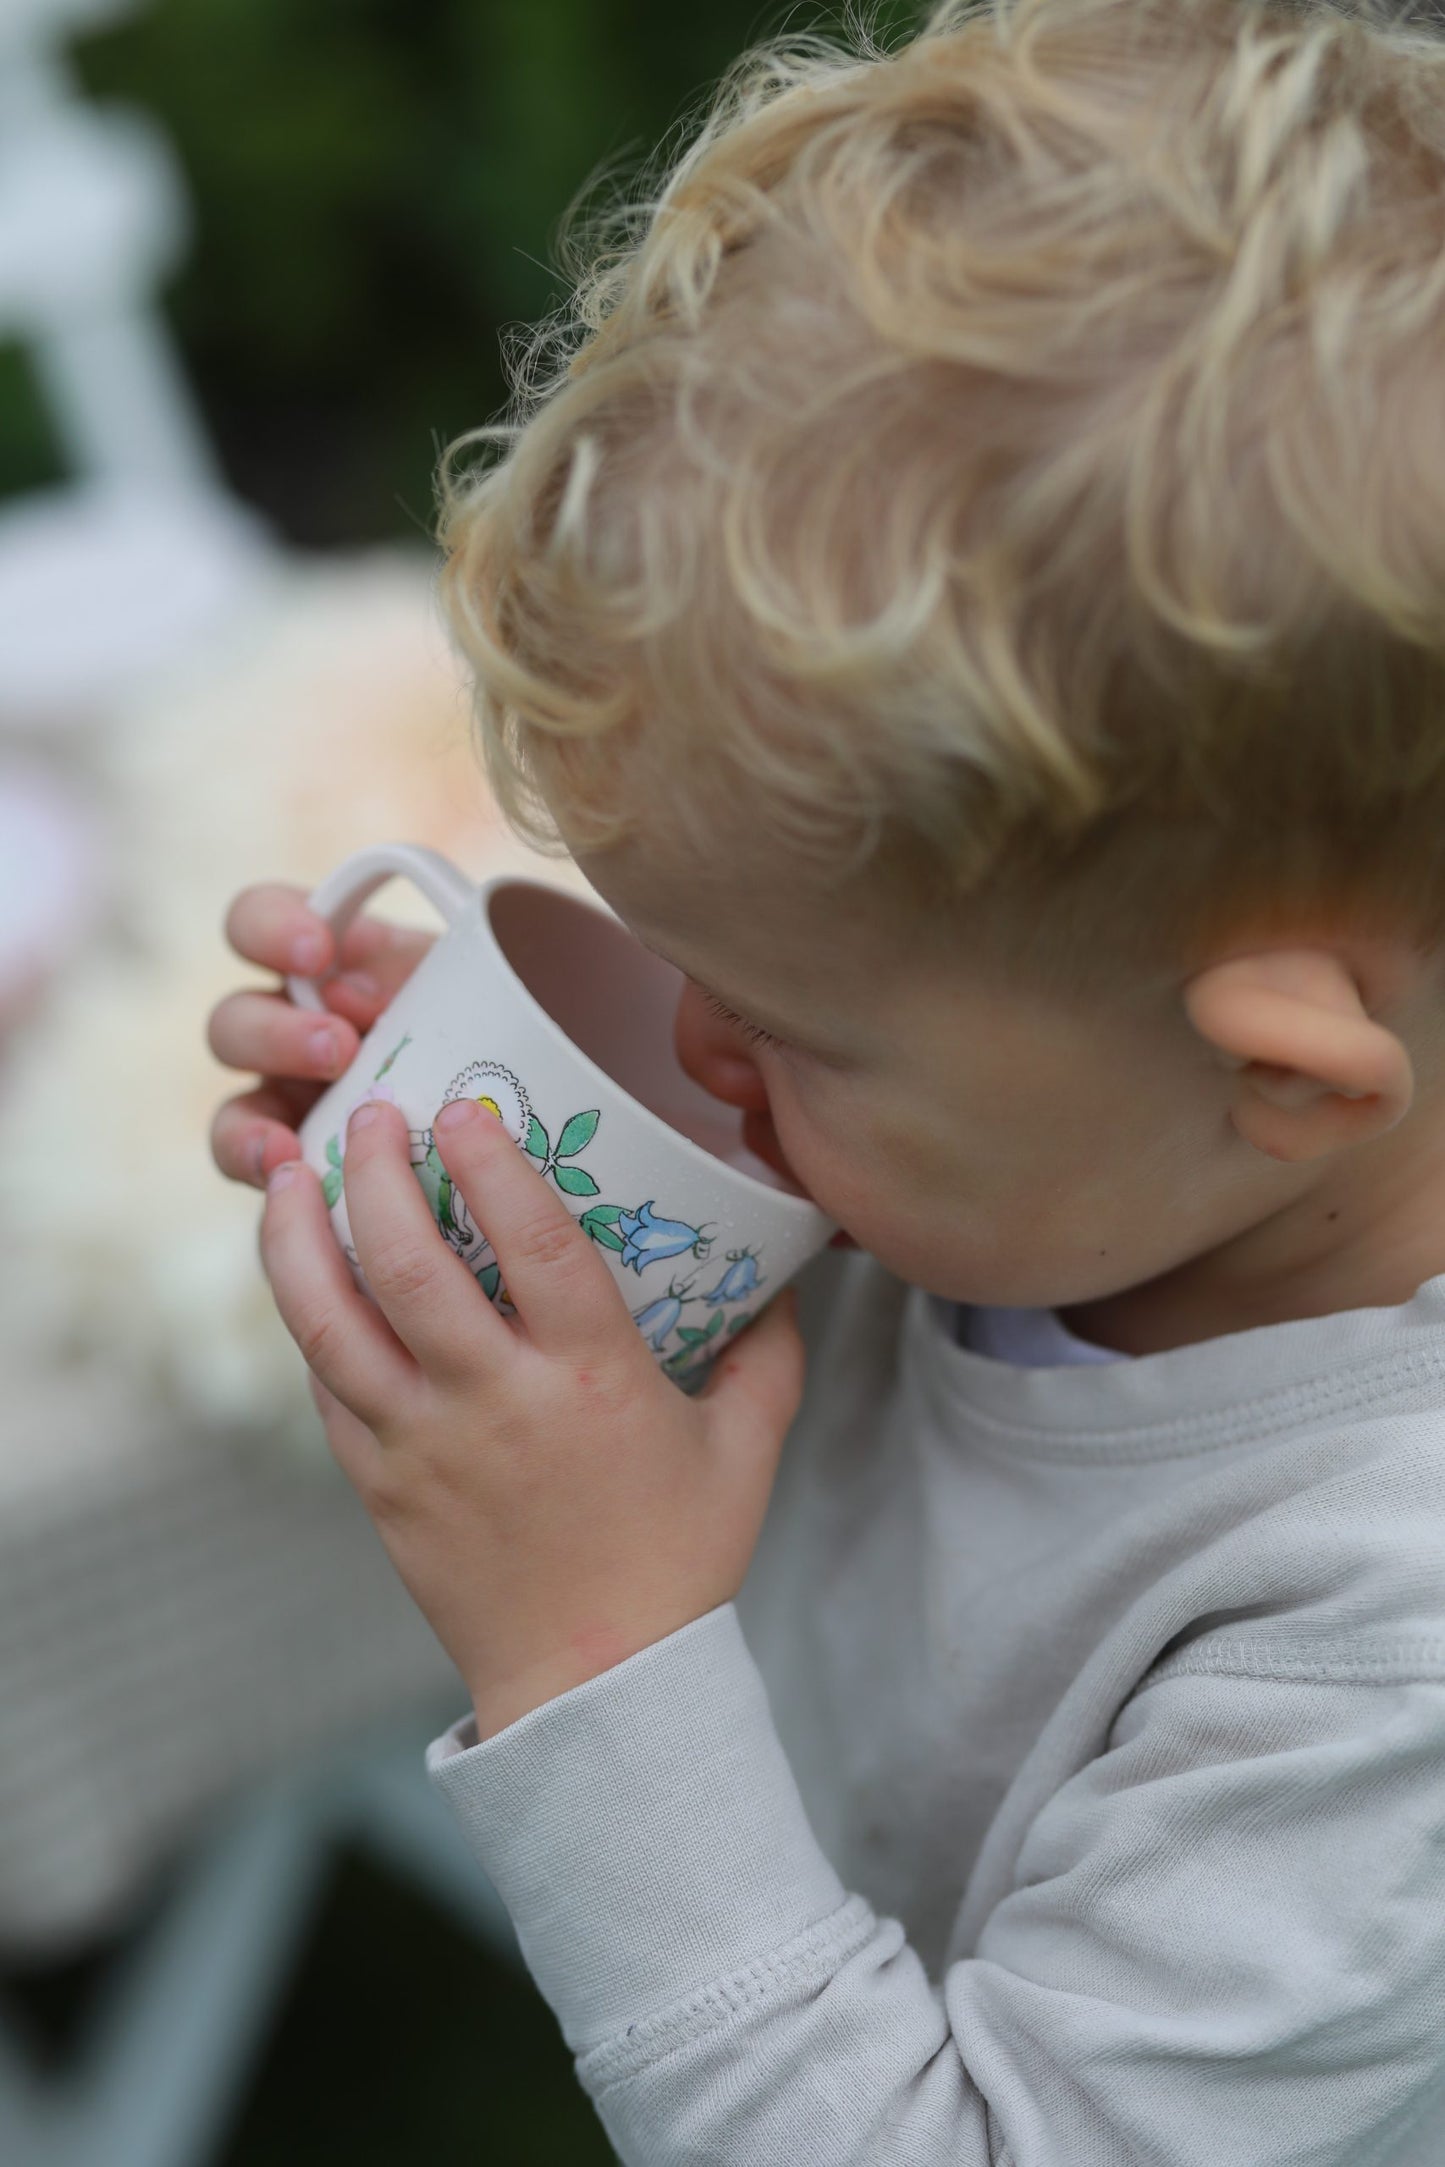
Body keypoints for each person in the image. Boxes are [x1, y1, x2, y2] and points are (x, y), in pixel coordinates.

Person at [206, 0, 1445, 2156]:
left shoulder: (1376, 1645)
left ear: (1287, 1079)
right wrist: (527, 1184)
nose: (692, 1047)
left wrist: (590, 1646)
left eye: (780, 1026)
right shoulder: (1104, 1142)